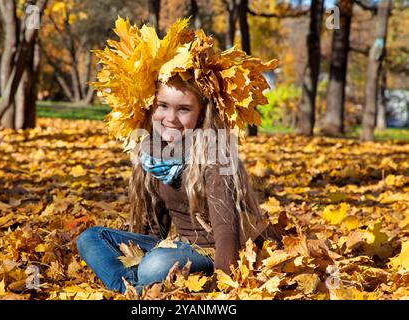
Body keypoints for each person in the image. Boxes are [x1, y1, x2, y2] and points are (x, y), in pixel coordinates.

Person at [76, 17, 280, 294]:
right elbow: (154, 228)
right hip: (177, 248)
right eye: (163, 106)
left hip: (214, 251)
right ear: (151, 107)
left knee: (155, 264)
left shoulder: (213, 154)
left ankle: (142, 282)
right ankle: (134, 290)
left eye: (183, 109)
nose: (170, 118)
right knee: (91, 238)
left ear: (201, 114)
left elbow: (226, 230)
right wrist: (142, 254)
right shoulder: (152, 155)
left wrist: (225, 285)